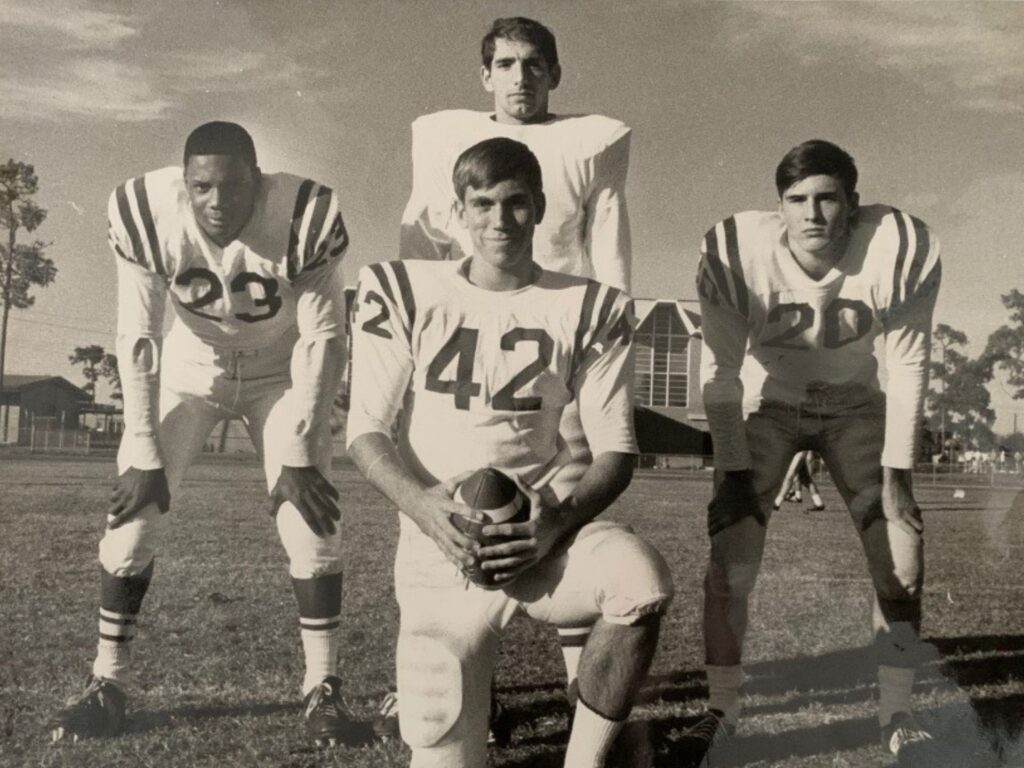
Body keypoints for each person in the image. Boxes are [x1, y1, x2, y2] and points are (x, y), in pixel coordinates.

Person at [348, 137, 673, 768]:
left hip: (539, 539)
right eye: (484, 203)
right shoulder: (403, 289)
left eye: (517, 204)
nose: (501, 220)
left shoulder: (589, 305)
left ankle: (586, 762)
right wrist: (423, 509)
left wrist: (554, 522)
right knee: (443, 753)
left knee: (641, 581)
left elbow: (617, 450)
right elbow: (365, 431)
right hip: (439, 551)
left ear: (541, 207)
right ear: (459, 213)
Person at [51, 121, 356, 747]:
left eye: (234, 187)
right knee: (134, 519)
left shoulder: (306, 214)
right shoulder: (144, 211)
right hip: (189, 369)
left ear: (259, 180)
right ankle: (106, 681)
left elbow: (326, 338)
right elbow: (137, 333)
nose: (218, 203)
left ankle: (322, 688)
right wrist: (140, 446)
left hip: (281, 369)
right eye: (202, 188)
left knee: (310, 521)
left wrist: (300, 446)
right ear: (184, 185)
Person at [397, 15, 634, 722]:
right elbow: (419, 241)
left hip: (561, 343)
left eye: (534, 65)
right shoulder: (440, 134)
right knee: (455, 509)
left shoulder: (594, 140)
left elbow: (610, 243)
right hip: (472, 343)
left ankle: (577, 686)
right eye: (504, 64)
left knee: (558, 512)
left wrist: (612, 326)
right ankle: (468, 681)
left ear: (555, 74)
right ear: (484, 76)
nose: (519, 78)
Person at [686, 140, 942, 765]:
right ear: (779, 208)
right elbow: (719, 372)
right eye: (797, 200)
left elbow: (907, 363)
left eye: (828, 198)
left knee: (902, 563)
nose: (813, 214)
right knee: (731, 558)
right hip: (770, 404)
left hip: (857, 405)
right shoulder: (736, 250)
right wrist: (733, 472)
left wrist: (898, 477)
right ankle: (722, 708)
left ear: (854, 206)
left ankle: (897, 713)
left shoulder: (896, 245)